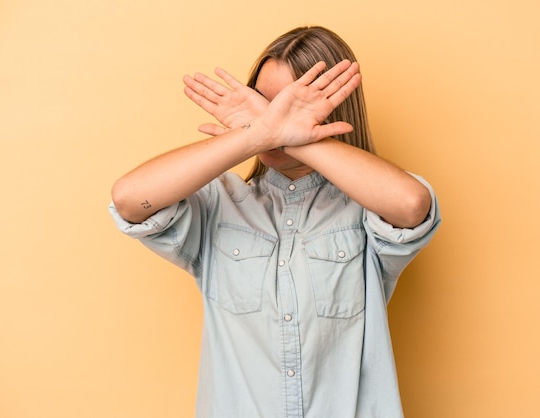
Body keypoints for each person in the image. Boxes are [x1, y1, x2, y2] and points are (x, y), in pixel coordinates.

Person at [109, 26, 441, 418]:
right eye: (265, 104)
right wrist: (260, 133)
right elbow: (129, 199)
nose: (277, 118)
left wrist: (297, 137)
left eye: (289, 105)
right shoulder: (220, 203)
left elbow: (411, 204)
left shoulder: (365, 208)